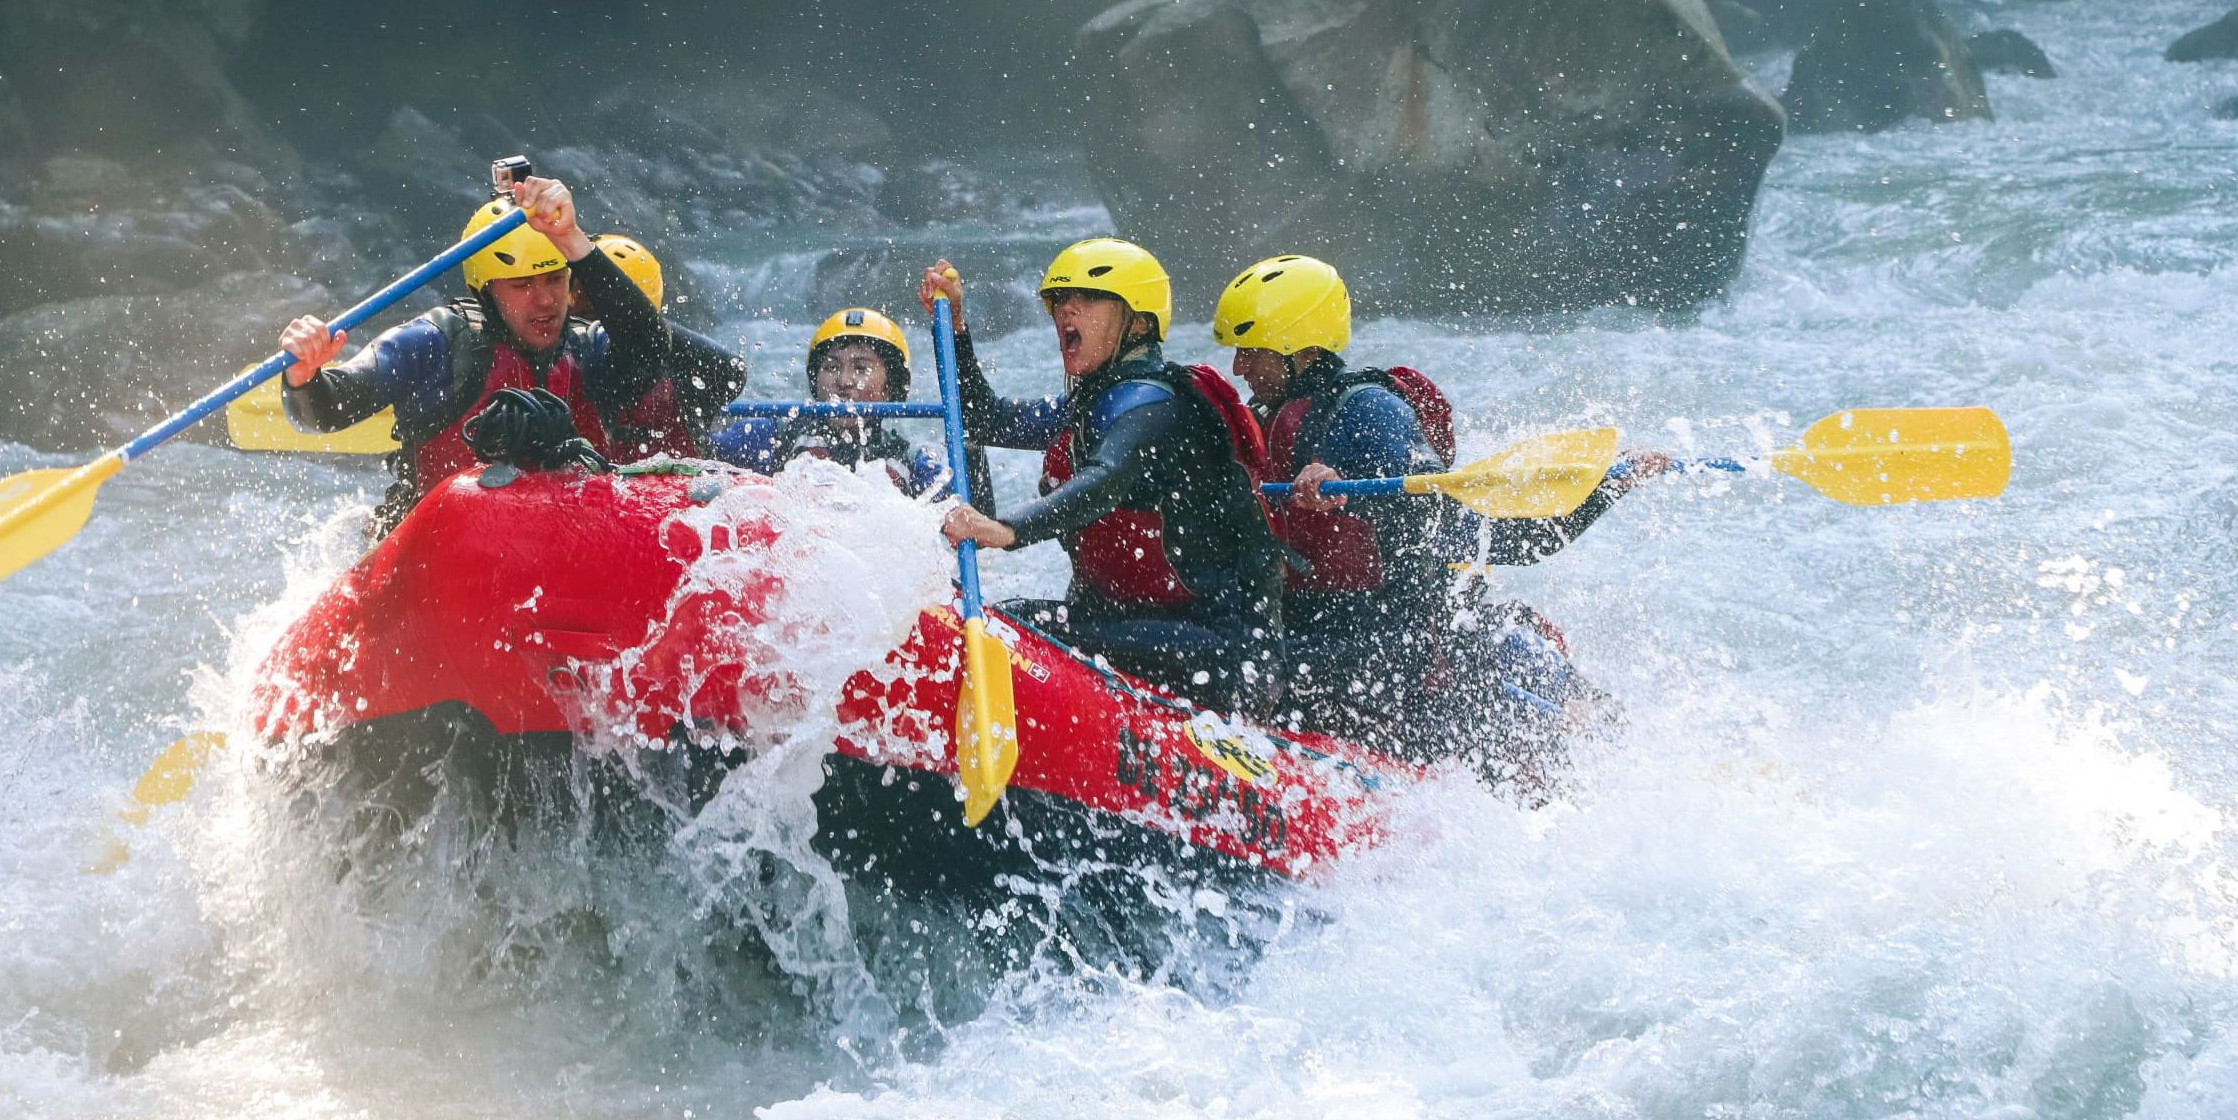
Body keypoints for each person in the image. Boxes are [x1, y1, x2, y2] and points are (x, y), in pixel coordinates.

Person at [1212, 253, 1668, 784]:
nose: (1240, 368)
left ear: (1301, 345)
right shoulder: (1265, 418)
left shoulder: (1369, 412)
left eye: (1253, 351)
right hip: (1314, 623)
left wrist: (1344, 493)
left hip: (1392, 641)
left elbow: (1451, 522)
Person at [921, 240, 1286, 719]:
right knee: (1006, 621)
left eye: (1087, 299)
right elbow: (983, 420)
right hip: (1128, 625)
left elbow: (1106, 478)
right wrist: (954, 331)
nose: (1066, 310)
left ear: (1136, 323)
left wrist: (1006, 529)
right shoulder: (1089, 403)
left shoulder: (1155, 404)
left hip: (1219, 647)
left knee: (1008, 629)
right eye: (1060, 301)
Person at [278, 176, 670, 533]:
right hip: (444, 554)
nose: (546, 301)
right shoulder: (435, 344)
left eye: (555, 279)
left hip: (565, 546)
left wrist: (573, 241)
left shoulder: (588, 348)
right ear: (485, 291)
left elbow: (652, 351)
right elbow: (327, 411)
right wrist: (304, 377)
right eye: (522, 285)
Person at [707, 308, 990, 501]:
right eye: (831, 367)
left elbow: (971, 523)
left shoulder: (911, 462)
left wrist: (973, 448)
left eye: (861, 368)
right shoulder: (774, 437)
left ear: (890, 387)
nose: (843, 381)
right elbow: (695, 454)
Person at [567, 234, 747, 462]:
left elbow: (733, 370)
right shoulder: (569, 360)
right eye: (575, 297)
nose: (575, 309)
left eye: (592, 314)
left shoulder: (687, 369)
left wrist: (637, 327)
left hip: (681, 485)